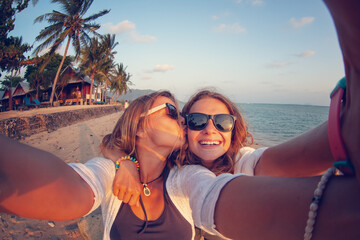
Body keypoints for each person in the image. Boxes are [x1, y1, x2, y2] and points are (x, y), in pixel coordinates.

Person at [1, 0, 360, 239]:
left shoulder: (189, 177)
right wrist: (120, 161)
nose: (207, 129)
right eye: (183, 115)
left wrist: (341, 131)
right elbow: (71, 190)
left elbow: (237, 186)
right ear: (140, 123)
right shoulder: (112, 171)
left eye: (222, 121)